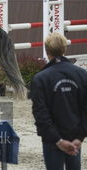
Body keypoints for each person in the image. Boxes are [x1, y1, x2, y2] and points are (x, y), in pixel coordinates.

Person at [30, 32, 87, 170]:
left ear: (47, 50)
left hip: (52, 140)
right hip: (74, 137)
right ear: (64, 49)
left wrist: (58, 141)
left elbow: (41, 114)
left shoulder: (40, 78)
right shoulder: (82, 74)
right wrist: (80, 137)